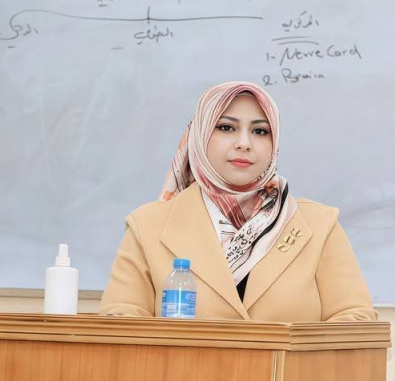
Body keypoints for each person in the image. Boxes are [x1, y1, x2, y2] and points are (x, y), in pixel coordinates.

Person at [99, 81, 377, 322]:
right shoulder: (147, 226)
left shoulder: (320, 226)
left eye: (260, 131)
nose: (244, 143)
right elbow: (120, 325)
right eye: (226, 127)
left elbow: (355, 321)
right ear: (199, 137)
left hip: (288, 372)